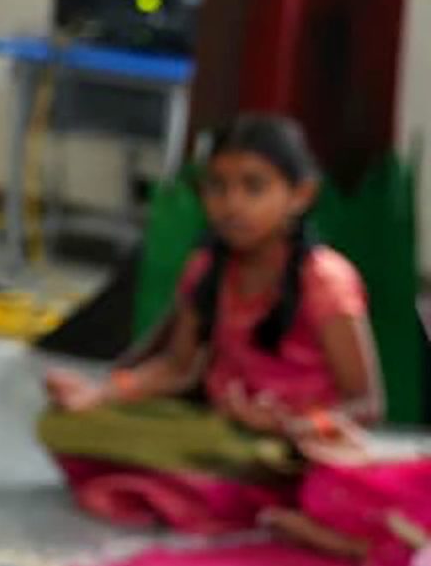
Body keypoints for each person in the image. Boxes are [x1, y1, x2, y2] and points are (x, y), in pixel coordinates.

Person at [40, 114, 382, 533]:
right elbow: (177, 367)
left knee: (228, 475)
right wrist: (98, 394)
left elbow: (366, 403)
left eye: (254, 187)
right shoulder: (206, 267)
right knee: (61, 425)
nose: (232, 204)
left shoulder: (326, 279)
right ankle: (189, 487)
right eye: (218, 187)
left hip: (293, 446)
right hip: (222, 431)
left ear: (300, 195)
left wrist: (290, 425)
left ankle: (209, 492)